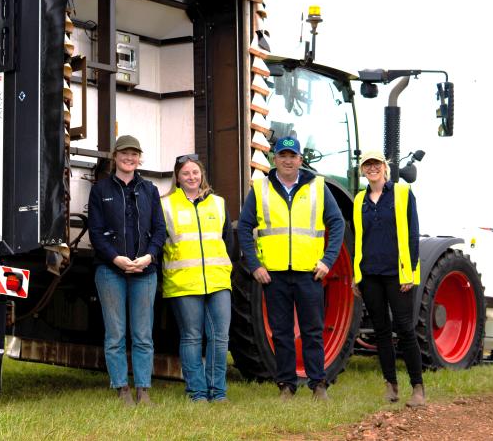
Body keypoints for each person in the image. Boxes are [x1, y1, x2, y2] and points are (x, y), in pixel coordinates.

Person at [238, 136, 345, 401]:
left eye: (292, 156)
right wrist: (254, 265)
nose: (287, 160)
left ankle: (318, 384)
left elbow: (337, 222)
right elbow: (243, 226)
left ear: (300, 159)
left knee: (312, 330)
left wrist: (328, 261)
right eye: (283, 155)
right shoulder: (261, 188)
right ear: (275, 159)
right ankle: (286, 385)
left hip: (309, 272)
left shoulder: (318, 187)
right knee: (282, 332)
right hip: (273, 274)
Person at [88, 135, 166, 406]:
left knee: (143, 334)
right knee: (116, 333)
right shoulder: (100, 190)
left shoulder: (149, 190)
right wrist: (116, 259)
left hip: (145, 270)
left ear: (139, 158)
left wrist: (149, 256)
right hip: (111, 271)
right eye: (124, 154)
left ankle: (143, 390)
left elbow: (159, 230)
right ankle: (122, 389)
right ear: (115, 157)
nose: (129, 158)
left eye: (134, 154)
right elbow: (96, 233)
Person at [352, 150, 425, 407]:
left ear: (384, 167)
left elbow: (413, 234)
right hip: (370, 274)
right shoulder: (359, 199)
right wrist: (356, 275)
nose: (372, 168)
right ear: (362, 170)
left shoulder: (403, 193)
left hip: (397, 274)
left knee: (405, 329)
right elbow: (359, 239)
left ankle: (417, 388)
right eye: (367, 165)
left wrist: (410, 272)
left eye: (376, 164)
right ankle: (391, 385)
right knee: (381, 331)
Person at [161, 154, 234, 402]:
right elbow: (160, 243)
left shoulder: (218, 203)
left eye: (195, 172)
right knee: (191, 337)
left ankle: (218, 391)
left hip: (218, 282)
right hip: (182, 283)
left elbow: (229, 243)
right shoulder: (166, 205)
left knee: (220, 337)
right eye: (185, 174)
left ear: (201, 174)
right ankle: (197, 392)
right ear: (178, 179)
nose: (191, 177)